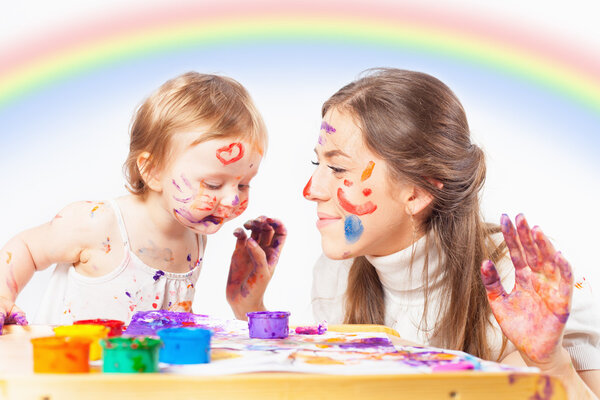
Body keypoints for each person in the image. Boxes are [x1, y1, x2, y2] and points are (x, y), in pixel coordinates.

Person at [229, 68, 599, 398]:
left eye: (339, 168)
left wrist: (550, 364)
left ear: (418, 192)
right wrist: (252, 311)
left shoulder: (529, 284)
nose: (311, 189)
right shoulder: (336, 275)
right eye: (318, 163)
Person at [0, 72, 285, 333]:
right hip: (70, 379)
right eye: (212, 184)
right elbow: (26, 248)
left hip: (139, 382)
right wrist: (3, 297)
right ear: (153, 171)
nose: (233, 198)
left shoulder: (194, 237)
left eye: (244, 183)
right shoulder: (97, 224)